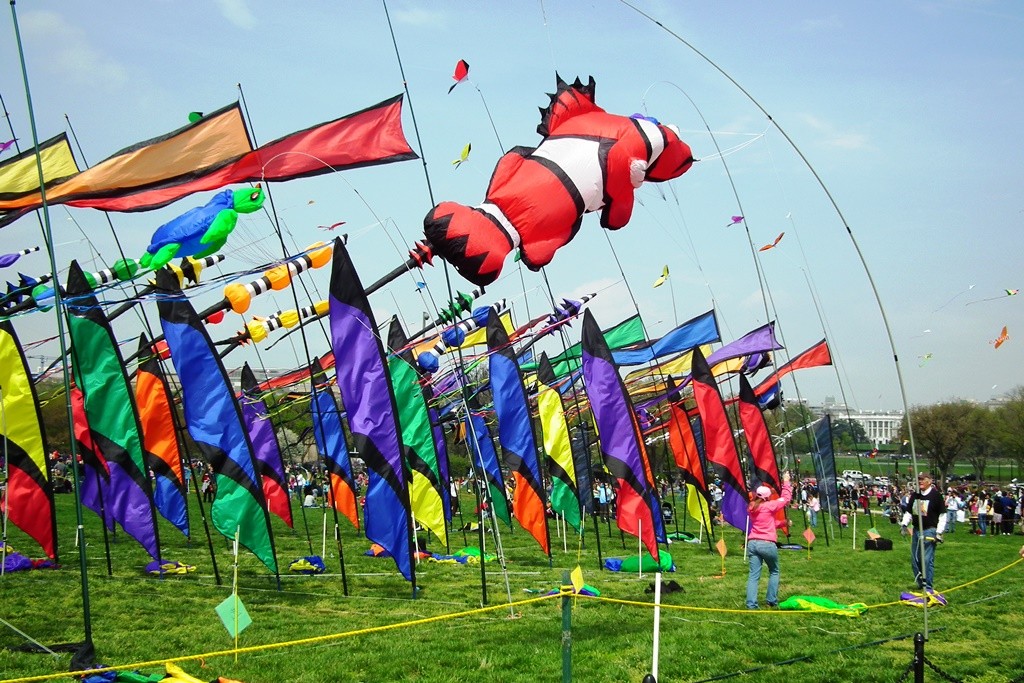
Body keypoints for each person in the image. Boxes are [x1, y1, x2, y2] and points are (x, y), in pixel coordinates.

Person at [745, 470, 792, 610]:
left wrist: (783, 523)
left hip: (753, 543)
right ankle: (771, 600)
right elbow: (786, 498)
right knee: (774, 571)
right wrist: (786, 481)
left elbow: (768, 524)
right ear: (767, 497)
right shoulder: (770, 505)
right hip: (767, 543)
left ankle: (751, 604)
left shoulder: (753, 507)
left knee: (753, 575)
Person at [900, 471, 946, 592]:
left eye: (922, 479)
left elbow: (942, 515)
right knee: (915, 559)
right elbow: (909, 511)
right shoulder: (916, 495)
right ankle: (921, 583)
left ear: (929, 481)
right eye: (918, 479)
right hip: (916, 530)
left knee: (926, 559)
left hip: (929, 531)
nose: (920, 481)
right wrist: (904, 524)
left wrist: (939, 532)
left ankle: (928, 586)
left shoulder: (936, 496)